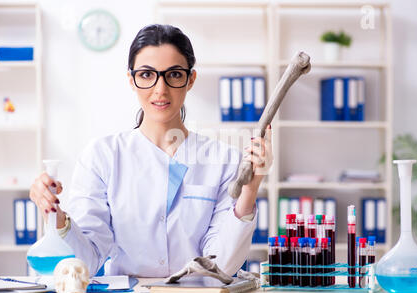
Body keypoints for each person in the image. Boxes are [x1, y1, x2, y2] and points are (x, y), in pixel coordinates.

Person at [29, 24, 273, 277]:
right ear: (131, 80)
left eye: (174, 74)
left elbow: (221, 266)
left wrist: (249, 192)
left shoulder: (223, 160)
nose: (160, 89)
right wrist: (55, 214)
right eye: (146, 75)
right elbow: (87, 261)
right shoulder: (102, 156)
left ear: (190, 79)